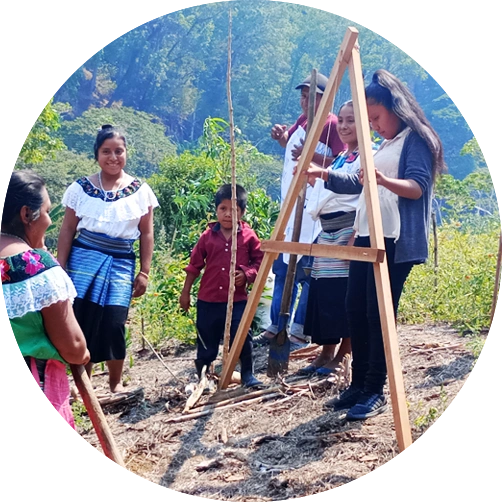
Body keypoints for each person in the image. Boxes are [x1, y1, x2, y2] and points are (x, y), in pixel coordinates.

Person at [307, 69, 445, 420]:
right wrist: (325, 174)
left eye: (377, 118)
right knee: (354, 308)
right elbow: (359, 183)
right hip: (367, 236)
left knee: (377, 315)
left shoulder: (417, 139)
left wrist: (382, 179)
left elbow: (417, 187)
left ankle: (374, 389)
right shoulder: (385, 144)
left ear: (396, 108)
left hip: (395, 241)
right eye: (370, 121)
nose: (375, 126)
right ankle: (357, 386)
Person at [0, 170, 90, 502]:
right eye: (48, 210)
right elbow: (74, 348)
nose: (51, 220)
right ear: (27, 214)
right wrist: (82, 354)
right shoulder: (36, 268)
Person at [57, 124, 159, 394]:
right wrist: (60, 267)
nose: (113, 157)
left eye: (118, 151)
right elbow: (67, 229)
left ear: (126, 153)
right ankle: (84, 386)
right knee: (82, 321)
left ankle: (115, 384)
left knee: (115, 323)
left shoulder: (140, 191)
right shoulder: (80, 189)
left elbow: (147, 233)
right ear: (97, 154)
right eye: (106, 151)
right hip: (82, 263)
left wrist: (145, 272)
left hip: (120, 263)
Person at [256, 73, 345, 351]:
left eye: (311, 97)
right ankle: (276, 324)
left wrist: (312, 156)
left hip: (314, 208)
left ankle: (299, 330)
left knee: (307, 269)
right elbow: (292, 146)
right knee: (284, 266)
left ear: (324, 99)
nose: (305, 101)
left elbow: (342, 163)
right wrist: (282, 137)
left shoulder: (332, 125)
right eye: (303, 96)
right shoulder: (303, 121)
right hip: (291, 204)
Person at [300, 101, 377, 377]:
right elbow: (331, 190)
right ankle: (326, 352)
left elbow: (361, 193)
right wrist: (316, 179)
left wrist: (356, 235)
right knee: (325, 292)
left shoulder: (370, 156)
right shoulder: (343, 157)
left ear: (367, 123)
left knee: (345, 293)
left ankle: (345, 352)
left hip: (348, 230)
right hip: (327, 232)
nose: (344, 126)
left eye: (351, 120)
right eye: (341, 120)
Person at [180, 184, 263, 388]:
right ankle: (203, 376)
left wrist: (246, 274)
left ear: (242, 212)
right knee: (206, 341)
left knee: (241, 336)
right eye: (222, 209)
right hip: (208, 300)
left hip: (237, 300)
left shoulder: (249, 236)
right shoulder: (207, 237)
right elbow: (194, 266)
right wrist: (185, 292)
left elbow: (260, 262)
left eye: (233, 210)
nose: (227, 214)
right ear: (216, 210)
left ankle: (247, 374)